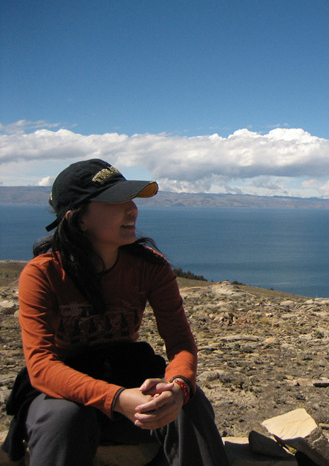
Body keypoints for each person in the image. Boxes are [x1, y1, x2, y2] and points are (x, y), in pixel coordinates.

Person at [2, 159, 229, 465]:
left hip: (126, 372)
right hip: (64, 387)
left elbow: (180, 345)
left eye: (131, 200)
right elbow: (41, 366)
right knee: (65, 418)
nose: (132, 209)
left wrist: (177, 387)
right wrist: (118, 399)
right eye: (115, 201)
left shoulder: (150, 267)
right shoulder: (43, 274)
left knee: (187, 404)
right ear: (78, 218)